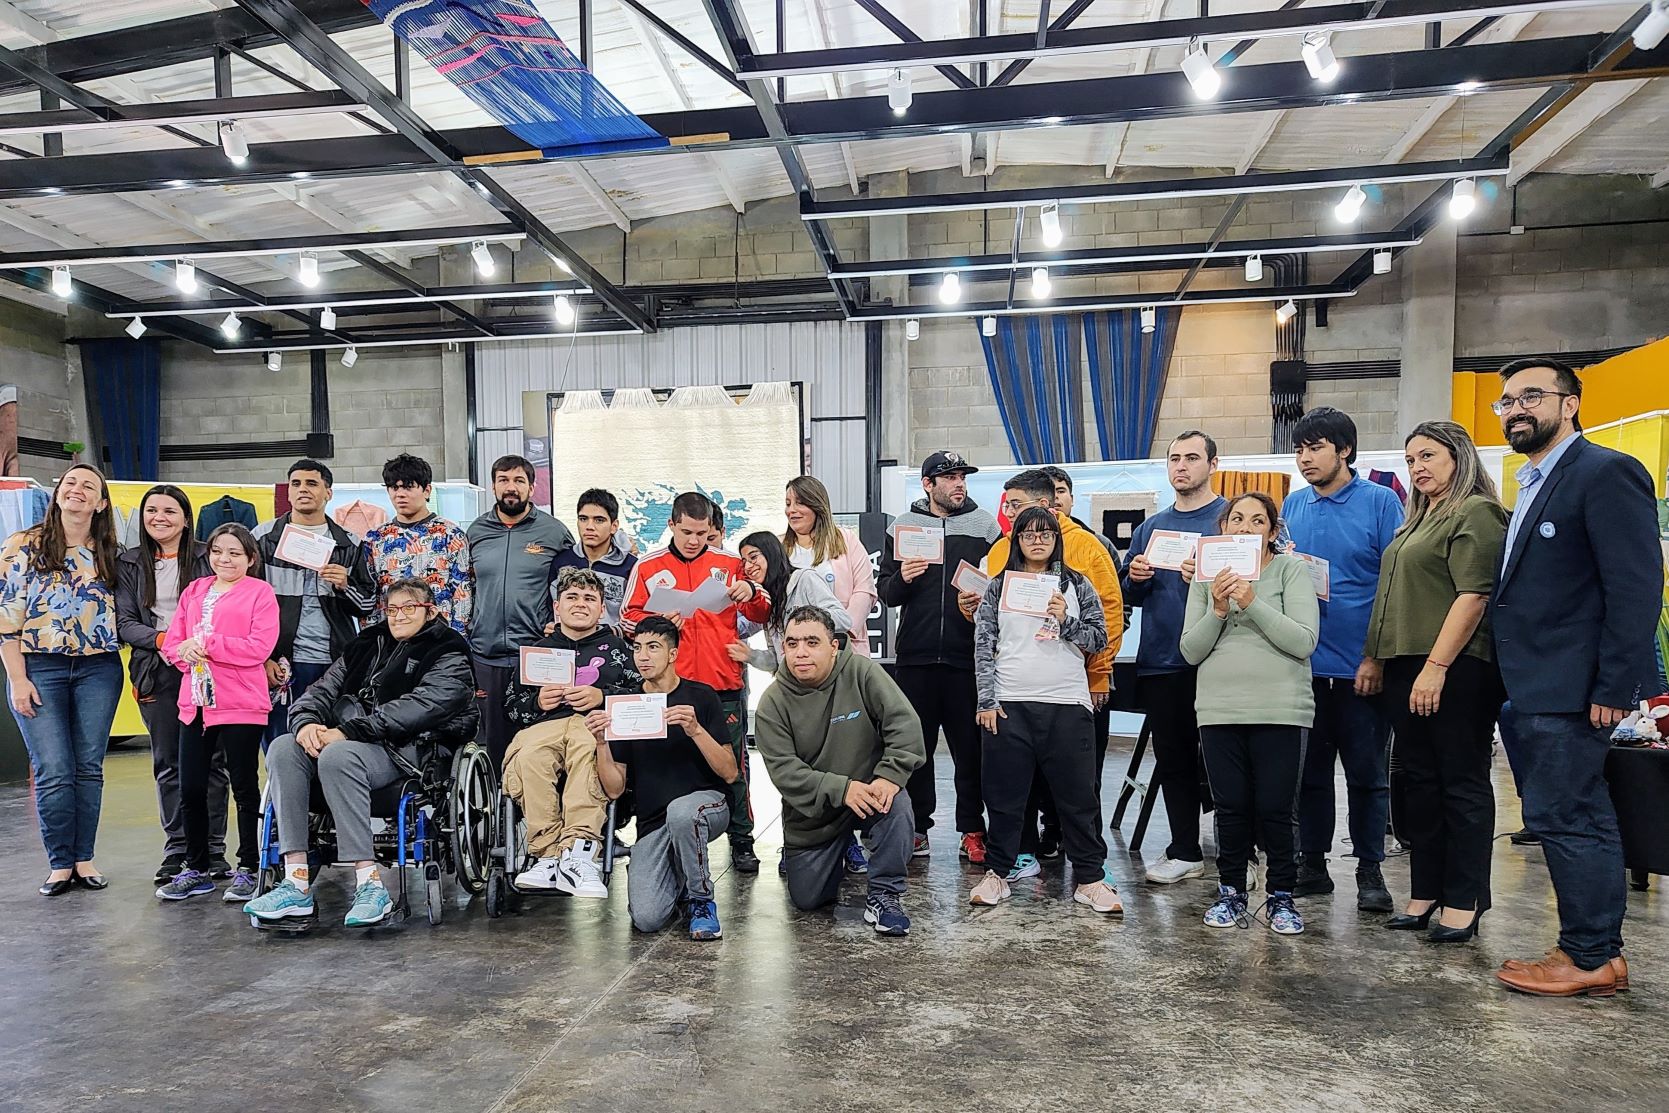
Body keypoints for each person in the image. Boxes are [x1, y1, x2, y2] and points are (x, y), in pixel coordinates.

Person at [1490, 358, 1661, 998]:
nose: (1516, 409)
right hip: (1534, 685)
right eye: (1507, 401)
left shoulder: (1605, 471)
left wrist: (1614, 686)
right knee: (1566, 815)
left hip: (1574, 687)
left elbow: (1636, 588)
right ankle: (1594, 951)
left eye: (1532, 396)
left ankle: (1589, 956)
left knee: (1570, 817)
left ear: (1572, 403)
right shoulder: (1535, 481)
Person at [246, 578, 480, 928]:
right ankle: (296, 881)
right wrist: (307, 723)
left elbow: (420, 706)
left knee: (338, 756)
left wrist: (348, 732)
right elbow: (321, 691)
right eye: (392, 609)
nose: (399, 616)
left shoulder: (448, 650)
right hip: (348, 743)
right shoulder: (367, 643)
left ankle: (370, 885)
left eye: (409, 608)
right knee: (283, 747)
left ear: (430, 611)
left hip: (406, 751)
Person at [1362, 421, 1507, 944]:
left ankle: (1465, 900)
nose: (1417, 467)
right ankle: (1425, 891)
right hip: (1406, 665)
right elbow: (1390, 597)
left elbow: (1474, 596)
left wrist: (1437, 667)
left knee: (1460, 782)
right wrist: (1375, 658)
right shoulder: (1418, 519)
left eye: (1427, 456)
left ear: (1459, 457)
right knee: (1419, 782)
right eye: (1410, 460)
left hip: (1456, 667)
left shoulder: (1477, 512)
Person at [968, 507, 1121, 913]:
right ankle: (998, 873)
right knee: (1004, 797)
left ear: (1057, 538)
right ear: (1016, 540)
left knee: (1078, 798)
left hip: (1067, 703)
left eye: (1046, 533)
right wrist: (987, 700)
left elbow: (1099, 637)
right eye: (1028, 534)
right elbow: (983, 645)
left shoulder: (1077, 584)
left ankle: (1090, 879)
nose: (1037, 541)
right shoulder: (998, 587)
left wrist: (1065, 620)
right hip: (1009, 703)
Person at [1281, 408, 1403, 911]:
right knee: (1309, 776)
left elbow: (1395, 586)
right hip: (1304, 668)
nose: (1305, 459)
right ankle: (1313, 864)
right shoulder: (1293, 505)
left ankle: (1370, 869)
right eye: (1299, 450)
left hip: (1361, 670)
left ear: (1345, 450)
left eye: (1316, 448)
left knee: (1367, 776)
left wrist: (1375, 658)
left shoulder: (1380, 502)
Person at [1181, 492, 1320, 935]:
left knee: (1277, 808)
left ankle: (1281, 897)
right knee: (1230, 807)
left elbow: (1303, 641)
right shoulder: (1206, 579)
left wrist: (1252, 600)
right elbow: (1190, 650)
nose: (1245, 527)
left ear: (1272, 532)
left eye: (1257, 521)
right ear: (1223, 528)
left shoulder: (1291, 570)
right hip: (1219, 709)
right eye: (1236, 519)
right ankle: (1230, 892)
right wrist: (1219, 609)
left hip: (1281, 708)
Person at [623, 492, 771, 873]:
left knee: (734, 765)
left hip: (722, 682)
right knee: (662, 763)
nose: (694, 540)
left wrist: (751, 591)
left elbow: (762, 611)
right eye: (686, 532)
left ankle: (742, 839)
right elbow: (626, 618)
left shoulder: (730, 563)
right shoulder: (648, 566)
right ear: (671, 524)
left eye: (702, 534)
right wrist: (656, 623)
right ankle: (655, 837)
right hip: (669, 685)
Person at [754, 607, 926, 935]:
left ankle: (885, 894)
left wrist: (890, 775)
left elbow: (904, 724)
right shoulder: (772, 702)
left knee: (897, 803)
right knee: (809, 899)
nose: (801, 652)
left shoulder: (861, 672)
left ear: (834, 646)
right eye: (792, 643)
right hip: (815, 814)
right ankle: (839, 847)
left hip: (870, 793)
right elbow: (785, 772)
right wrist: (842, 789)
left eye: (812, 642)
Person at [1, 464, 125, 897]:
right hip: (40, 667)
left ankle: (83, 859)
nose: (77, 490)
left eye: (89, 486)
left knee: (88, 767)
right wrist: (17, 679)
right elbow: (6, 620)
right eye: (70, 482)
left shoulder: (112, 552)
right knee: (53, 768)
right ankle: (59, 864)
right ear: (57, 494)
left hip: (99, 668)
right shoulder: (23, 545)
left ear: (101, 503)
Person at [876, 450, 1001, 863]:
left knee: (972, 751)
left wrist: (984, 599)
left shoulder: (985, 526)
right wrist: (902, 579)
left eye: (962, 476)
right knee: (916, 749)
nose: (958, 483)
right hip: (916, 658)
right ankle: (917, 829)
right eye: (949, 477)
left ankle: (973, 830)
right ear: (928, 485)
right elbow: (886, 593)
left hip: (968, 658)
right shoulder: (902, 527)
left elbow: (1001, 585)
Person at [588, 616, 738, 940]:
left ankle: (701, 900)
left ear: (672, 654)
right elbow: (614, 789)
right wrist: (601, 743)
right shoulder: (626, 706)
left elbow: (729, 772)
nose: (642, 656)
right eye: (637, 648)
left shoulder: (702, 696)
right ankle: (677, 872)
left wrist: (696, 730)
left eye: (653, 647)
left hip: (706, 806)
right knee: (646, 918)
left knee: (682, 814)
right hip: (654, 821)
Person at [156, 525, 281, 904]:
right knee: (191, 787)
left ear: (251, 559)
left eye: (234, 553)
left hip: (241, 702)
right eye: (217, 551)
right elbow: (173, 643)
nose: (224, 559)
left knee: (244, 786)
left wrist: (209, 643)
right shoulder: (195, 590)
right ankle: (197, 868)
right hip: (195, 703)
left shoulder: (260, 593)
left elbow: (259, 648)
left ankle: (249, 866)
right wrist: (185, 652)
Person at [1123, 432, 1227, 884]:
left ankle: (1242, 851)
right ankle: (1185, 849)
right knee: (1174, 759)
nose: (1181, 466)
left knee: (1230, 760)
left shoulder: (1230, 519)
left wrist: (1205, 577)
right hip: (1163, 659)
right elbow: (1129, 595)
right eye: (1174, 458)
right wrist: (1136, 576)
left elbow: (1258, 580)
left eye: (1191, 458)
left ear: (1213, 464)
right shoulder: (1151, 528)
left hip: (1221, 660)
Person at [116, 485, 231, 885]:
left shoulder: (206, 556)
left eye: (169, 511)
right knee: (168, 762)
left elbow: (224, 606)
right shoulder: (129, 563)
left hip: (206, 666)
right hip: (157, 668)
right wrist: (168, 641)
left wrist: (193, 645)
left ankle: (212, 848)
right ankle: (178, 847)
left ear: (185, 518)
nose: (159, 518)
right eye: (152, 510)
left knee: (212, 761)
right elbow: (125, 623)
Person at [502, 567, 637, 897]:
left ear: (601, 609)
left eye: (589, 598)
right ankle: (547, 855)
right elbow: (512, 707)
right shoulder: (537, 652)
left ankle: (579, 851)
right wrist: (537, 701)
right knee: (529, 756)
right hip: (544, 725)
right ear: (557, 607)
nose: (580, 604)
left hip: (594, 724)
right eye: (572, 597)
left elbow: (642, 698)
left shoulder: (619, 650)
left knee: (588, 749)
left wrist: (602, 696)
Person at [253, 459, 378, 747]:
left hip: (334, 662)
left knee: (329, 742)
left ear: (328, 493)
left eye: (312, 483)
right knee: (280, 743)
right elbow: (245, 605)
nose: (303, 489)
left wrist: (345, 585)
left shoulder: (350, 544)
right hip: (281, 662)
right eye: (296, 484)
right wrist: (263, 658)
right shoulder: (262, 539)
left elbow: (367, 604)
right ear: (288, 492)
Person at [467, 454, 574, 768]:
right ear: (493, 486)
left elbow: (575, 577)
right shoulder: (476, 531)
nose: (510, 487)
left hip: (535, 653)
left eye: (518, 480)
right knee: (491, 746)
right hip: (485, 655)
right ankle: (496, 798)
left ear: (532, 486)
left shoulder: (553, 532)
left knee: (536, 746)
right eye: (503, 480)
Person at [360, 453, 472, 633]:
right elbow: (371, 594)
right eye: (394, 488)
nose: (400, 494)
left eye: (408, 487)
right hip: (392, 636)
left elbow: (462, 592)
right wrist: (373, 638)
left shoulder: (451, 535)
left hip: (438, 637)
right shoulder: (375, 538)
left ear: (427, 490)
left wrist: (457, 638)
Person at [730, 530, 845, 674]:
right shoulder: (768, 600)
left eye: (753, 557)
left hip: (822, 678)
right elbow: (777, 660)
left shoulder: (804, 579)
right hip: (792, 682)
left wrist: (805, 621)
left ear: (771, 554)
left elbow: (843, 619)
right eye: (744, 562)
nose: (747, 567)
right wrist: (750, 655)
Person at [782, 475, 875, 653]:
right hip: (798, 651)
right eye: (788, 504)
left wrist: (845, 628)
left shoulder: (846, 539)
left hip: (844, 645)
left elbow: (865, 589)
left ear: (817, 505)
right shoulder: (780, 548)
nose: (791, 510)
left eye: (799, 503)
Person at [547, 488, 637, 629]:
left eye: (599, 520)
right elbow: (551, 607)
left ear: (614, 526)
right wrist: (553, 627)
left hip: (613, 641)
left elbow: (634, 615)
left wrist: (613, 634)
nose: (589, 527)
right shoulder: (562, 562)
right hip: (568, 641)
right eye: (583, 519)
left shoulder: (631, 566)